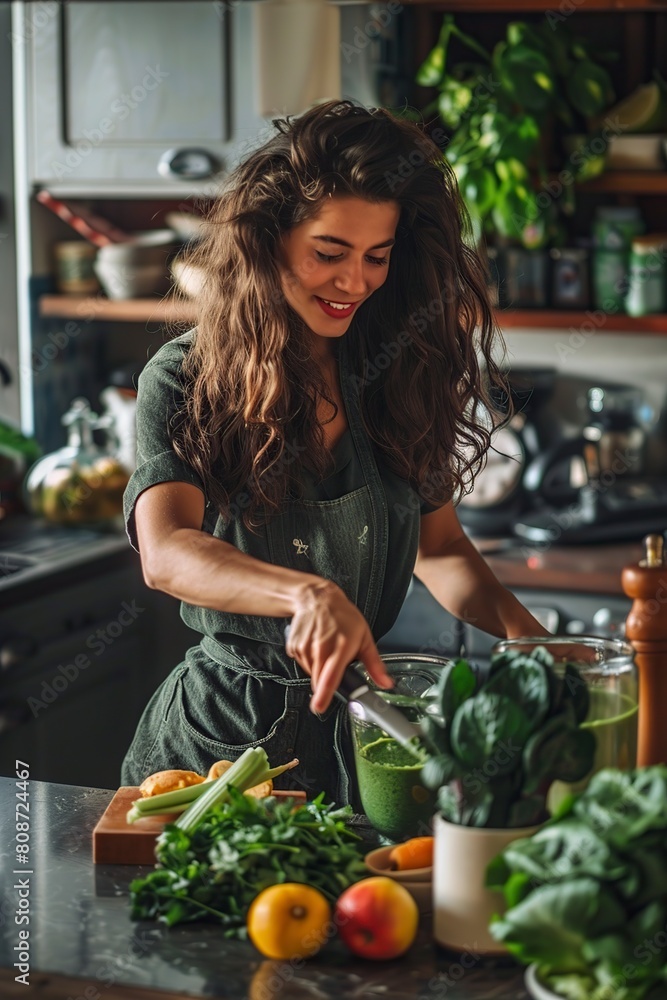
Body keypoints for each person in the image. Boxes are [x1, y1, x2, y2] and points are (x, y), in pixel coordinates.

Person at [121, 100, 548, 807]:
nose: (355, 282)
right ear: (269, 243)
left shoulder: (397, 373)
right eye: (329, 253)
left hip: (361, 748)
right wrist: (305, 594)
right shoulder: (184, 377)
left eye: (375, 257)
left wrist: (532, 643)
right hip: (211, 755)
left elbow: (439, 551)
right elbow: (165, 553)